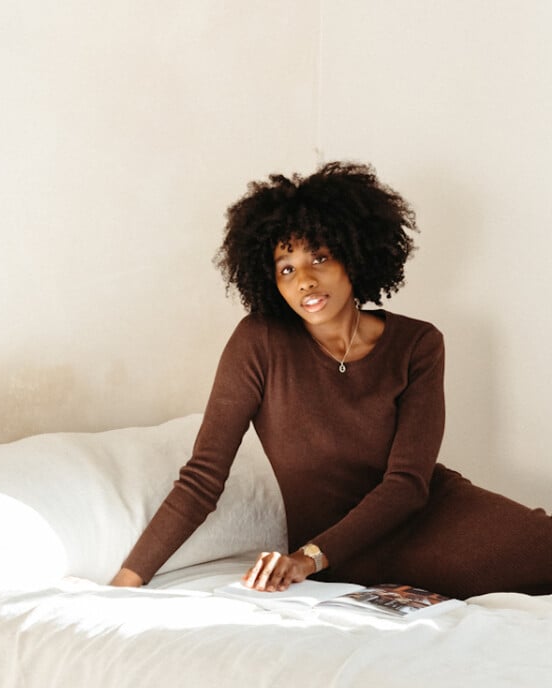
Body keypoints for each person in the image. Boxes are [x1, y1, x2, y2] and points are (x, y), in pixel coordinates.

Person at [110, 162, 552, 598]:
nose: (304, 280)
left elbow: (408, 485)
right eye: (287, 268)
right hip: (338, 552)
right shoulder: (259, 341)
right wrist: (123, 584)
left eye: (320, 257)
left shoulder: (418, 343)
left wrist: (310, 557)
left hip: (422, 513)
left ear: (354, 257)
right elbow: (203, 478)